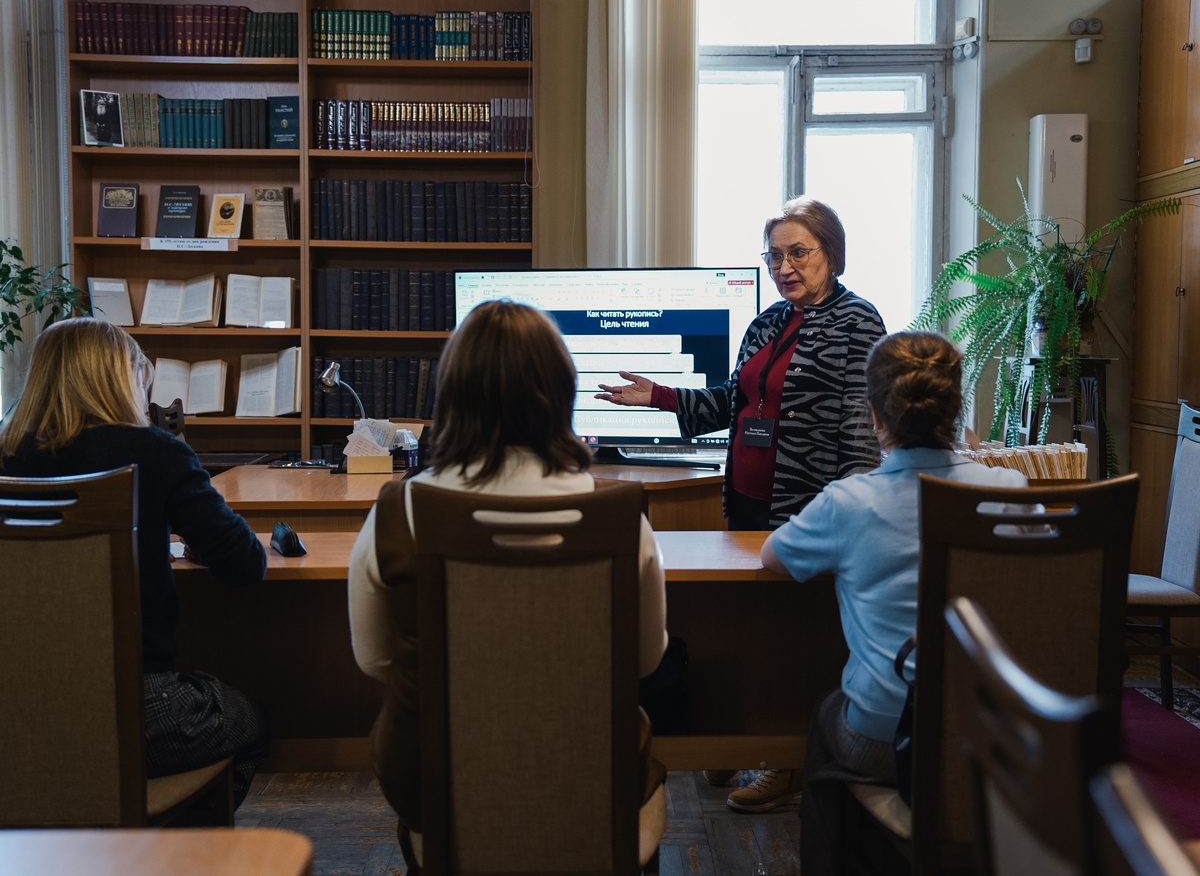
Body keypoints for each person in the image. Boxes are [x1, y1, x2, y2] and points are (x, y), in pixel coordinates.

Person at [348, 300, 669, 873]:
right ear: (561, 392)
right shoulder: (617, 517)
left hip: (439, 791)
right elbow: (644, 661)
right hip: (595, 785)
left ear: (452, 393)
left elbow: (374, 660)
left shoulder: (400, 511)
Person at [596, 195, 887, 810]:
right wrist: (660, 397)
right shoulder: (767, 322)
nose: (784, 267)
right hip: (746, 502)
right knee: (742, 627)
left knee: (791, 635)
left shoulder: (858, 322)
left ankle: (786, 759)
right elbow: (733, 402)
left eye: (798, 253)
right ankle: (734, 738)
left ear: (831, 253)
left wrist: (846, 510)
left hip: (807, 507)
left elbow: (858, 433)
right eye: (774, 256)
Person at [759, 331, 1027, 874]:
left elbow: (773, 558)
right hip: (994, 733)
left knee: (826, 712)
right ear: (955, 408)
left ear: (875, 413)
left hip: (887, 735)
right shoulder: (1010, 490)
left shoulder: (848, 503)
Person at [0, 317, 269, 806]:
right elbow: (245, 565)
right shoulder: (155, 453)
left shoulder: (4, 455)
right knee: (250, 719)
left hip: (13, 711)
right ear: (120, 381)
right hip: (137, 710)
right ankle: (173, 838)